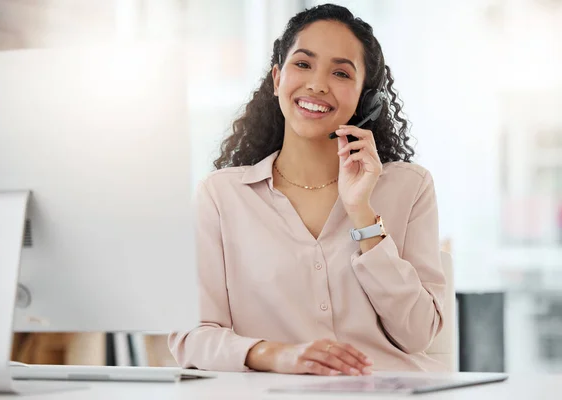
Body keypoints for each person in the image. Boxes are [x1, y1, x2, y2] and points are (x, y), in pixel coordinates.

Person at [169, 3, 447, 376]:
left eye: (340, 72)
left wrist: (362, 212)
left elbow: (418, 334)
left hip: (391, 390)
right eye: (303, 64)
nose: (317, 83)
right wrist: (278, 355)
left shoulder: (409, 187)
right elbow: (192, 337)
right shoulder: (221, 197)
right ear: (276, 78)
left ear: (367, 99)